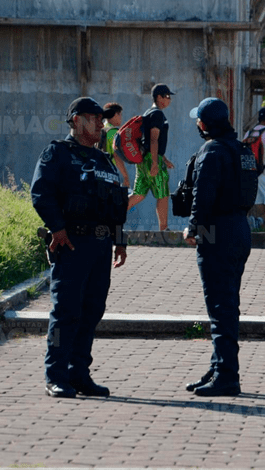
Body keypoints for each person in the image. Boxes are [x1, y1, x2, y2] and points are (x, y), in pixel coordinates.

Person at [30, 97, 128, 399]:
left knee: (91, 311)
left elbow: (113, 204)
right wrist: (57, 228)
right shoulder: (58, 153)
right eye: (93, 117)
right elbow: (41, 192)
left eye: (101, 118)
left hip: (100, 246)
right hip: (71, 243)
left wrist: (119, 239)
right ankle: (56, 376)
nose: (101, 123)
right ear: (75, 120)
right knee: (66, 312)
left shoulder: (103, 159)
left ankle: (79, 374)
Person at [183, 98, 253, 397]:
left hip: (216, 231)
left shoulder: (211, 150)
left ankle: (227, 375)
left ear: (203, 124)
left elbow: (203, 192)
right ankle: (218, 366)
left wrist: (194, 227)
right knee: (227, 304)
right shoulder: (242, 150)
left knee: (220, 307)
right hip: (239, 228)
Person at [127, 84, 175, 230]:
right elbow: (153, 139)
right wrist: (155, 162)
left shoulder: (149, 113)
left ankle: (112, 218)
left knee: (139, 195)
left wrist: (164, 159)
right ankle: (164, 229)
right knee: (163, 194)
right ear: (159, 97)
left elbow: (149, 141)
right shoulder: (157, 114)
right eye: (167, 97)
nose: (169, 100)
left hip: (143, 159)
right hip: (151, 159)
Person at [99, 102, 130, 187]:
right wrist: (126, 177)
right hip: (109, 173)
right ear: (115, 114)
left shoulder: (100, 129)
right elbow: (116, 156)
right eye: (120, 115)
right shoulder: (113, 132)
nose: (121, 118)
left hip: (98, 172)